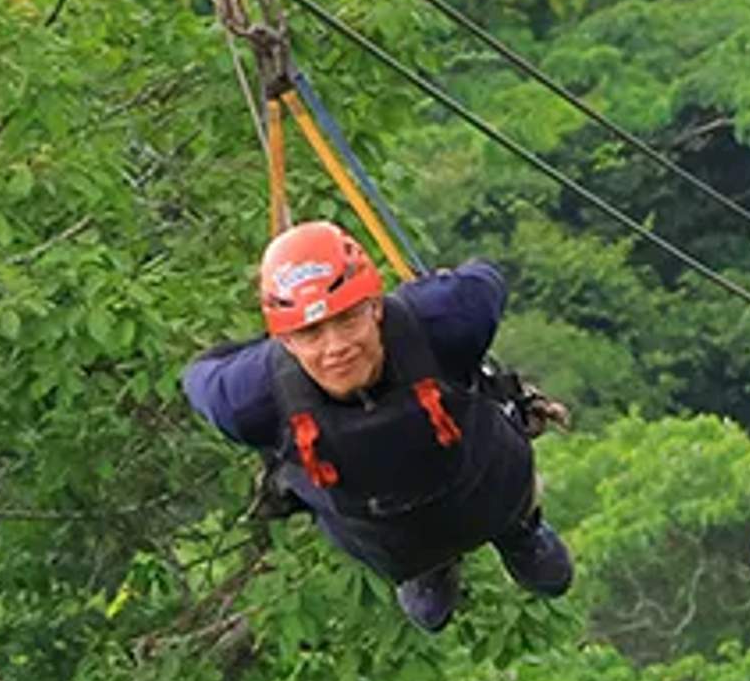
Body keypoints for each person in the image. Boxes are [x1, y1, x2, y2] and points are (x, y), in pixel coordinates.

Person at [181, 221, 575, 632]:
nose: (336, 348)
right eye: (311, 333)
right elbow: (197, 378)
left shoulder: (445, 321)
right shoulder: (248, 399)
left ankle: (519, 531)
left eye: (348, 319)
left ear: (376, 306)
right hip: (389, 537)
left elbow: (485, 281)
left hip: (490, 487)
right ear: (285, 342)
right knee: (408, 550)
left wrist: (430, 294)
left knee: (525, 540)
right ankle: (428, 567)